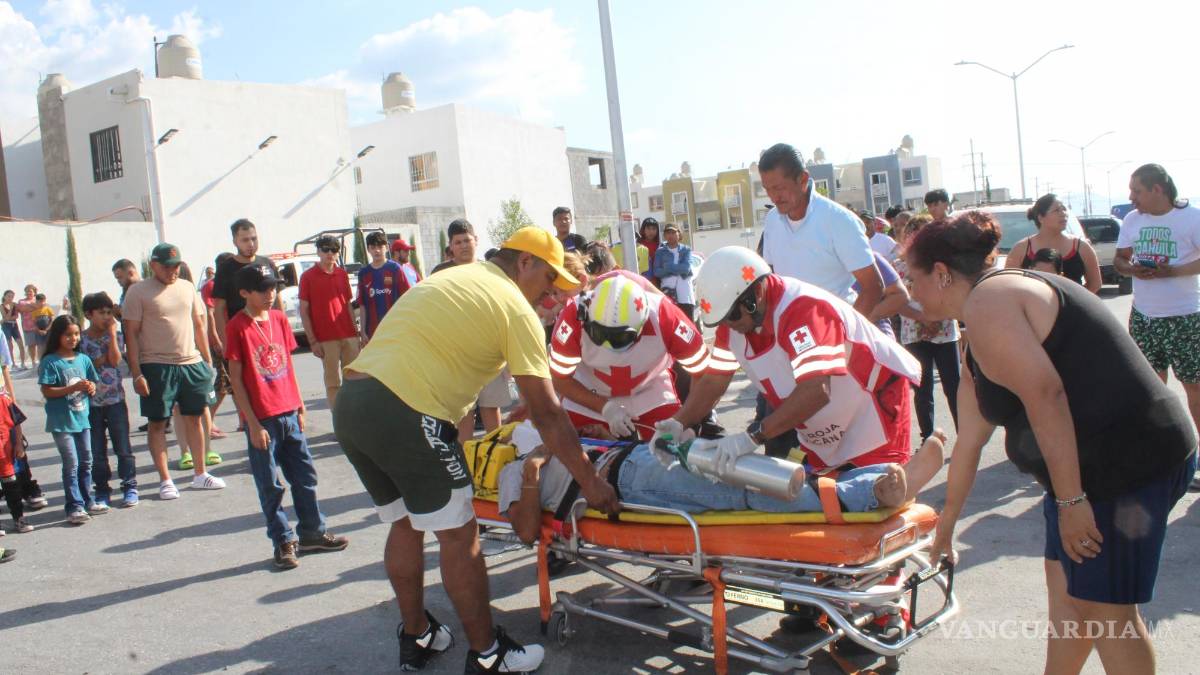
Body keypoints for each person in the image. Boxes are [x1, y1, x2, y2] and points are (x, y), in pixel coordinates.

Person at [912, 211, 1197, 675]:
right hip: (1083, 472)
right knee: (1068, 600)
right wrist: (945, 529)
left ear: (942, 274)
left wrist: (1072, 500)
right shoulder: (978, 330)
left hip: (1127, 464)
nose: (909, 290)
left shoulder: (991, 301)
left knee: (1108, 615)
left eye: (913, 277)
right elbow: (968, 445)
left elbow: (1047, 394)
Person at [334, 226, 618, 673]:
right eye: (549, 282)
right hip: (408, 411)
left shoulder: (453, 276)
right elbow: (549, 413)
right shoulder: (513, 306)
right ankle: (490, 655)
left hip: (353, 404)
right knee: (460, 535)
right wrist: (591, 481)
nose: (551, 297)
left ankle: (417, 637)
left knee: (405, 523)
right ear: (524, 263)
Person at [656, 246, 922, 477]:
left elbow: (816, 390)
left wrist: (753, 436)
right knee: (830, 499)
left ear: (755, 294)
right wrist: (679, 422)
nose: (728, 327)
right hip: (824, 425)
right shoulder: (734, 321)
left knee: (879, 493)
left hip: (873, 404)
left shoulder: (803, 310)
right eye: (722, 320)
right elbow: (715, 379)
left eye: (732, 317)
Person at [500, 429, 947, 545]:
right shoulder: (509, 472)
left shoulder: (556, 435)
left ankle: (873, 483)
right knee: (743, 489)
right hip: (631, 484)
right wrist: (535, 463)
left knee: (748, 467)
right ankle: (871, 492)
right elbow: (524, 532)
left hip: (639, 456)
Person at [226, 263, 350, 569]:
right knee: (270, 483)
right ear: (245, 293)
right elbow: (236, 379)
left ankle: (313, 532)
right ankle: (283, 540)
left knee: (304, 476)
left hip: (289, 411)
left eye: (274, 288)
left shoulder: (279, 319)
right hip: (263, 418)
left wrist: (299, 405)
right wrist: (252, 422)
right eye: (264, 289)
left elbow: (288, 364)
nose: (271, 294)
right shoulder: (237, 326)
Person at [550, 274, 709, 441]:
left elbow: (704, 374)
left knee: (673, 450)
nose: (608, 345)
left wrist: (689, 421)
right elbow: (560, 379)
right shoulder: (573, 316)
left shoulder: (665, 317)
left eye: (618, 338)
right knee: (567, 449)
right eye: (598, 334)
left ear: (644, 322)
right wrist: (604, 407)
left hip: (649, 391)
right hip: (587, 394)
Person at [123, 243, 224, 500]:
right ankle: (166, 480)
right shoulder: (138, 292)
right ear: (153, 265)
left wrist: (207, 360)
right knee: (158, 423)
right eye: (167, 266)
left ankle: (200, 474)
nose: (173, 271)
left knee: (195, 417)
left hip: (191, 363)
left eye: (176, 265)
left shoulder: (188, 287)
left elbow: (199, 323)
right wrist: (136, 373)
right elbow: (131, 335)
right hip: (156, 365)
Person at [1114, 164, 1200, 452]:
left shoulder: (1191, 218)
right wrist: (1132, 269)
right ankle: (1160, 458)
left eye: (1137, 190)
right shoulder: (1131, 220)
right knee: (1148, 391)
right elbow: (1120, 260)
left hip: (1185, 318)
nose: (1132, 197)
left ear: (1157, 189)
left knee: (1195, 390)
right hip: (1144, 318)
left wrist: (1172, 272)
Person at [758, 143, 884, 316]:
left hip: (835, 330)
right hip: (791, 331)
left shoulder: (840, 220)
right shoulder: (772, 220)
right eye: (767, 189)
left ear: (802, 179)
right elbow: (771, 278)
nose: (773, 197)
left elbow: (873, 287)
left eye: (779, 188)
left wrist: (846, 335)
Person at [896, 213, 961, 441]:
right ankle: (927, 438)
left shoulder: (947, 264)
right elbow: (898, 301)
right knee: (922, 390)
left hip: (945, 331)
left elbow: (955, 295)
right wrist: (923, 319)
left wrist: (936, 319)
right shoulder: (899, 266)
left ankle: (965, 436)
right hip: (914, 333)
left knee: (954, 386)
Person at [39, 315, 105, 524]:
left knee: (87, 461)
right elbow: (48, 391)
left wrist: (91, 388)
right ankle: (74, 506)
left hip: (82, 419)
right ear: (58, 335)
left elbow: (92, 383)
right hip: (62, 422)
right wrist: (73, 388)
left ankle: (88, 500)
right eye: (68, 334)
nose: (73, 338)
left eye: (76, 334)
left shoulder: (83, 359)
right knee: (72, 463)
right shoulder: (50, 362)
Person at [79, 292, 137, 508]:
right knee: (97, 451)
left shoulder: (116, 335)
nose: (106, 317)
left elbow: (114, 360)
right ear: (88, 314)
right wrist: (98, 361)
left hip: (115, 401)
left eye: (108, 313)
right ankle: (102, 490)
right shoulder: (81, 339)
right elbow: (85, 367)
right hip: (91, 404)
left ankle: (129, 486)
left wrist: (113, 334)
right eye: (101, 313)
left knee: (123, 447)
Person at [172, 262, 223, 470]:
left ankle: (204, 449)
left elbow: (201, 324)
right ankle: (186, 452)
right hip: (174, 361)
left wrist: (206, 356)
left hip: (195, 358)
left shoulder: (192, 294)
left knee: (201, 406)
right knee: (180, 409)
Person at [299, 235, 360, 409]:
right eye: (325, 249)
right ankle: (338, 419)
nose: (330, 253)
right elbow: (304, 311)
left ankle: (354, 415)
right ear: (318, 251)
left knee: (354, 378)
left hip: (349, 335)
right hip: (326, 339)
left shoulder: (342, 274)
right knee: (333, 382)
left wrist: (356, 334)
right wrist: (312, 341)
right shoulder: (308, 277)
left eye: (334, 250)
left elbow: (347, 304)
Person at [1005, 193, 1102, 292]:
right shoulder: (1021, 249)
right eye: (1057, 210)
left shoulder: (1081, 247)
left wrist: (1073, 302)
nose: (1063, 213)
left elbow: (1095, 283)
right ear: (1040, 218)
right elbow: (1009, 285)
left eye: (1064, 209)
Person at [211, 218, 281, 345]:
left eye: (254, 238)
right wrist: (226, 342)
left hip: (268, 332)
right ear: (235, 242)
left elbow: (278, 298)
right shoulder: (225, 269)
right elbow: (219, 308)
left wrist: (280, 330)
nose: (251, 244)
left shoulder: (267, 263)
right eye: (245, 240)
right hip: (242, 334)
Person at [201, 252, 235, 440]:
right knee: (223, 382)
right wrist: (215, 338)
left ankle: (244, 420)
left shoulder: (229, 284)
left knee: (236, 381)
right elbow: (210, 313)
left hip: (232, 337)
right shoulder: (212, 286)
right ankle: (209, 421)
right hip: (221, 340)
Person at [358, 231, 410, 341]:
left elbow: (407, 298)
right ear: (368, 250)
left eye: (380, 247)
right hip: (372, 331)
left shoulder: (395, 269)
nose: (377, 250)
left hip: (395, 328)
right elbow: (362, 305)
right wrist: (362, 331)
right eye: (373, 247)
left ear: (386, 247)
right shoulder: (363, 273)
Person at [0, 387, 33, 533]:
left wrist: (19, 444)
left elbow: (17, 422)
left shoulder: (4, 400)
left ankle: (18, 518)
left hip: (5, 453)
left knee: (11, 486)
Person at [652, 223, 696, 319]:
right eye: (667, 233)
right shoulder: (660, 251)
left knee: (689, 325)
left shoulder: (686, 250)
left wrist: (668, 267)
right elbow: (656, 272)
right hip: (668, 294)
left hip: (685, 294)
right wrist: (676, 269)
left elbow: (686, 268)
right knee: (672, 325)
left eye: (673, 232)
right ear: (664, 235)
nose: (670, 235)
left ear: (679, 234)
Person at [14, 285, 40, 367]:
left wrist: (30, 307)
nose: (29, 292)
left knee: (39, 344)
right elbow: (22, 309)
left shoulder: (37, 300)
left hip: (38, 325)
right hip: (27, 326)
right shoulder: (21, 301)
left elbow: (39, 307)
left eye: (31, 291)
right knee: (31, 344)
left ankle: (40, 360)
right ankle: (33, 361)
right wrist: (33, 306)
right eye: (27, 291)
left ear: (34, 292)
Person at [2, 290, 27, 370]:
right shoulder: (2, 306)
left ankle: (23, 363)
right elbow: (5, 317)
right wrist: (11, 308)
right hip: (6, 326)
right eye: (9, 296)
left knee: (20, 343)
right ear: (5, 296)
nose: (10, 298)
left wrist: (9, 317)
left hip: (14, 325)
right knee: (10, 345)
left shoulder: (15, 305)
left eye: (12, 297)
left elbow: (16, 316)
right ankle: (13, 364)